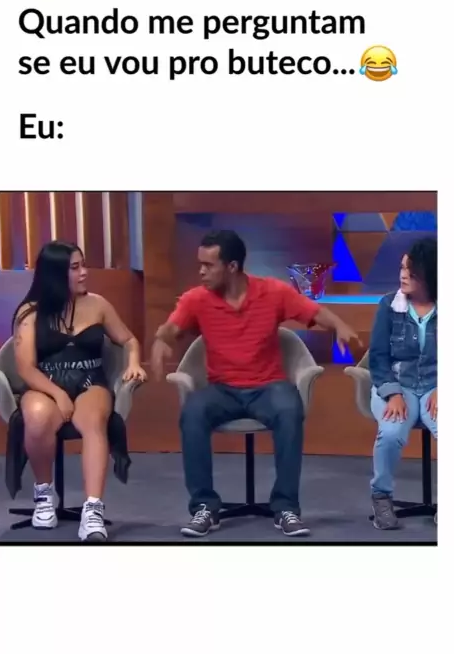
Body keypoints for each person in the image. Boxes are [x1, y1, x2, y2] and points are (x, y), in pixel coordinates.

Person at [151, 230, 361, 538]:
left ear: (232, 266)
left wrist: (340, 326)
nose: (201, 272)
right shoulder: (197, 298)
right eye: (200, 265)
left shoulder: (272, 292)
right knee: (193, 412)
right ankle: (204, 507)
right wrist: (161, 341)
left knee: (289, 409)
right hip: (222, 390)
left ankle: (286, 508)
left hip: (268, 387)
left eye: (208, 265)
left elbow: (315, 312)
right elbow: (172, 327)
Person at [12, 240, 147, 542]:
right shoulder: (30, 313)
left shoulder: (98, 304)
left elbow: (128, 340)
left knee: (94, 421)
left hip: (90, 379)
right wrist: (58, 394)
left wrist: (134, 362)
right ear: (56, 274)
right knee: (37, 417)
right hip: (45, 382)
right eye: (75, 268)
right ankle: (44, 494)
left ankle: (93, 509)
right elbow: (26, 368)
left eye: (83, 265)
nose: (84, 272)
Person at [369, 237, 437, 529]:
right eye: (402, 268)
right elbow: (378, 358)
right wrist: (392, 393)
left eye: (411, 270)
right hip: (398, 384)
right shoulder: (388, 305)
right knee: (391, 432)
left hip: (436, 386)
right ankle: (381, 497)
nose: (403, 275)